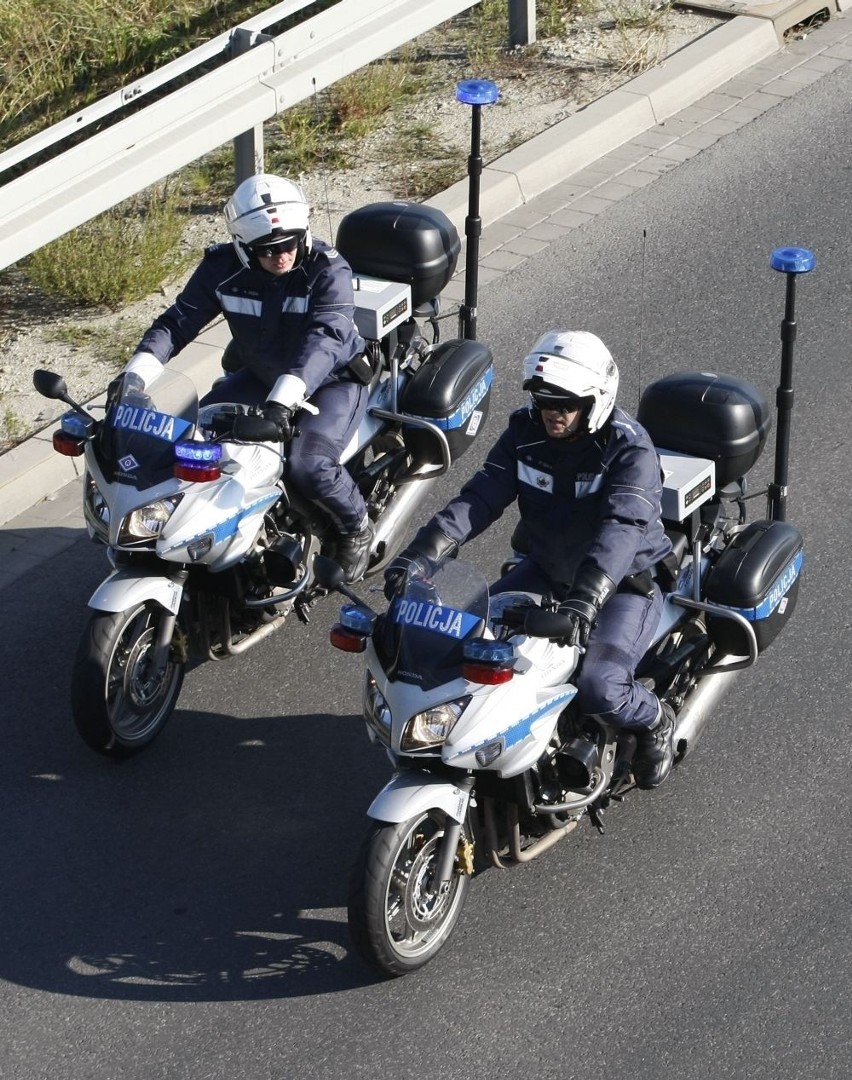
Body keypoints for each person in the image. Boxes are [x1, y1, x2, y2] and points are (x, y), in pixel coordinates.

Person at [384, 330, 677, 789]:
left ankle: (656, 720)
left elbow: (621, 531)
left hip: (622, 585)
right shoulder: (525, 432)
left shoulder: (629, 450)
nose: (551, 413)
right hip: (545, 569)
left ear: (595, 401)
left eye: (564, 404)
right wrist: (422, 555)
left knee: (600, 685)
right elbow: (479, 498)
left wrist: (586, 600)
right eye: (543, 401)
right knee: (461, 643)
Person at [121, 173, 373, 582]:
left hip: (332, 381)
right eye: (267, 250)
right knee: (191, 442)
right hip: (259, 376)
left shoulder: (328, 269)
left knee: (307, 465)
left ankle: (355, 527)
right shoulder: (221, 267)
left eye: (289, 243)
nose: (281, 256)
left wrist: (282, 400)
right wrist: (135, 376)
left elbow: (325, 339)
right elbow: (178, 322)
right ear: (242, 245)